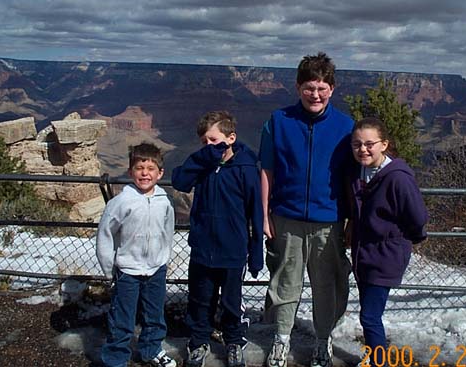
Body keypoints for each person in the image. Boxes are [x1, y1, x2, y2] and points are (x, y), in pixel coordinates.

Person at [259, 52, 354, 367]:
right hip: (286, 217)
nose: (316, 94)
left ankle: (323, 341)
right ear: (298, 87)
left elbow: (353, 177)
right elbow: (267, 170)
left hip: (329, 220)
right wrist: (264, 214)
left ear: (332, 89)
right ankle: (281, 340)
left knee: (326, 285)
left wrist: (352, 220)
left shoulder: (345, 126)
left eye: (322, 88)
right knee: (285, 282)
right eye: (309, 88)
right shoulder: (279, 121)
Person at [172, 111, 263, 367]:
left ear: (231, 138)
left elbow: (255, 213)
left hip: (233, 250)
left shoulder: (245, 169)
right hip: (202, 247)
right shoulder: (202, 166)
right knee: (200, 299)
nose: (209, 146)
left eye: (214, 140)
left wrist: (256, 254)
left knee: (231, 302)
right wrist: (202, 157)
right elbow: (179, 180)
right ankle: (198, 342)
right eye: (204, 142)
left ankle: (234, 341)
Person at [348, 117, 428, 367]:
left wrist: (403, 240)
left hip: (385, 254)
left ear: (384, 144)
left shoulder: (398, 178)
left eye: (370, 144)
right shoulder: (358, 172)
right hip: (364, 253)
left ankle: (378, 361)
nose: (363, 149)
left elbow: (417, 217)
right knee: (369, 312)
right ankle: (375, 355)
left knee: (370, 315)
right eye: (357, 144)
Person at [96, 143, 176, 367]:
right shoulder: (120, 202)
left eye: (150, 168)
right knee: (122, 317)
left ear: (160, 173)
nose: (145, 173)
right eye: (139, 168)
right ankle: (115, 358)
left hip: (156, 268)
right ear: (130, 171)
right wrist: (108, 267)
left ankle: (152, 350)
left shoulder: (165, 201)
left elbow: (167, 230)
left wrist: (164, 257)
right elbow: (105, 234)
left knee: (154, 315)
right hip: (127, 270)